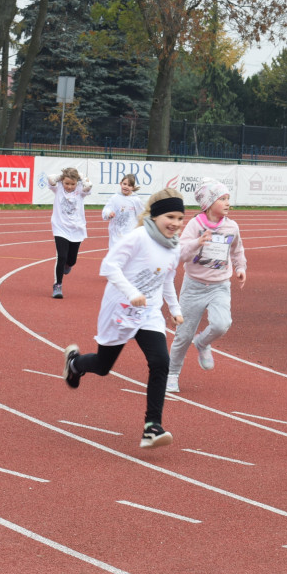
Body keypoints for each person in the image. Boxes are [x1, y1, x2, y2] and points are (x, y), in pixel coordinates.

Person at [62, 188, 186, 449]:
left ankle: (152, 426)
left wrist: (174, 309)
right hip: (120, 307)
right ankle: (75, 364)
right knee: (104, 366)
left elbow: (166, 279)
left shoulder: (174, 247)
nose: (175, 224)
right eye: (170, 217)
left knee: (161, 361)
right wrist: (131, 293)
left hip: (149, 311)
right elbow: (108, 266)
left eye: (179, 218)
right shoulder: (139, 237)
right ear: (155, 215)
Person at [166, 178, 247, 393]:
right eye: (222, 199)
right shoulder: (195, 225)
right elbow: (181, 253)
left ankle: (202, 342)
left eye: (228, 198)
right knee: (183, 335)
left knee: (222, 324)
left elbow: (237, 250)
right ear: (209, 204)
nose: (228, 202)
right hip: (194, 286)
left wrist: (240, 268)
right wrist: (197, 243)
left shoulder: (232, 226)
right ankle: (172, 373)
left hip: (220, 285)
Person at [48, 167, 92, 299]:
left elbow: (88, 186)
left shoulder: (80, 190)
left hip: (76, 228)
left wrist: (82, 178)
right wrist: (60, 177)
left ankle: (68, 264)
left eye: (72, 184)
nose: (69, 186)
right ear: (62, 181)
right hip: (60, 227)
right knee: (61, 256)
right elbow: (50, 178)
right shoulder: (58, 188)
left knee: (71, 260)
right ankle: (58, 285)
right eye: (67, 183)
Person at [102, 173, 146, 249]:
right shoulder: (114, 198)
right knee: (115, 256)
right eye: (124, 184)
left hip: (129, 233)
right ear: (120, 184)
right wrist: (109, 213)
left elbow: (142, 215)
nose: (126, 187)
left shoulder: (136, 200)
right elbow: (106, 209)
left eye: (129, 185)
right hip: (115, 234)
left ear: (133, 187)